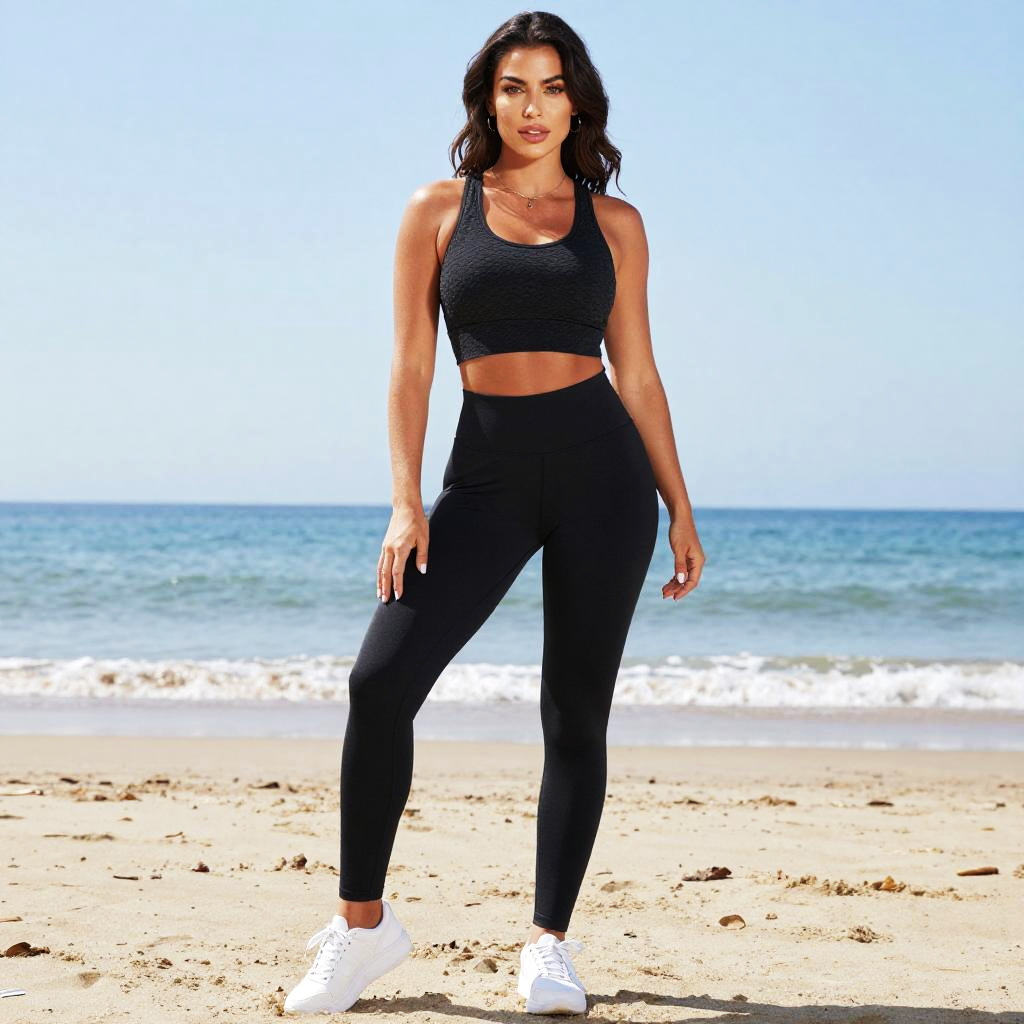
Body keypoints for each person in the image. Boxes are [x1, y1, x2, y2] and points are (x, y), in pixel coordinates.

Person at [283, 10, 705, 1016]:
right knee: (379, 681)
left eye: (551, 87)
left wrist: (679, 505)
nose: (531, 106)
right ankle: (363, 925)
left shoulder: (617, 223)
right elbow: (411, 363)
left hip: (604, 472)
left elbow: (636, 372)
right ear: (488, 100)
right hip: (485, 477)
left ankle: (547, 944)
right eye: (513, 87)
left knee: (574, 713)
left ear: (576, 102)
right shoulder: (438, 210)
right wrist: (401, 500)